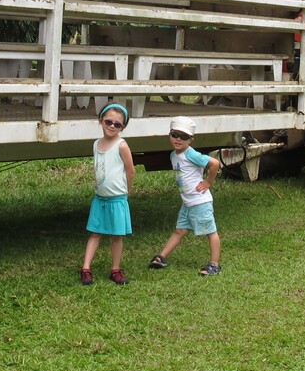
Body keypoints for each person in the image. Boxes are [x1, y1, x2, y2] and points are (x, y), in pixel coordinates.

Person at [148, 116, 222, 276]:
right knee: (180, 230)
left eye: (184, 136)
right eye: (175, 135)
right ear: (169, 135)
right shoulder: (173, 155)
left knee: (210, 231)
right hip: (187, 203)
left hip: (200, 201)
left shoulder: (191, 154)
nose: (178, 139)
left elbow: (214, 163)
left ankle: (215, 264)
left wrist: (208, 182)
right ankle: (162, 257)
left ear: (191, 140)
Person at [80, 103, 135, 286]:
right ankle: (86, 269)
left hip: (117, 199)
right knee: (95, 233)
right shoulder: (96, 144)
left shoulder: (122, 146)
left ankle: (115, 269)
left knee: (116, 236)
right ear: (100, 121)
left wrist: (127, 191)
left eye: (117, 124)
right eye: (108, 121)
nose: (112, 126)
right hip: (100, 198)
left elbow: (130, 170)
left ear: (123, 127)